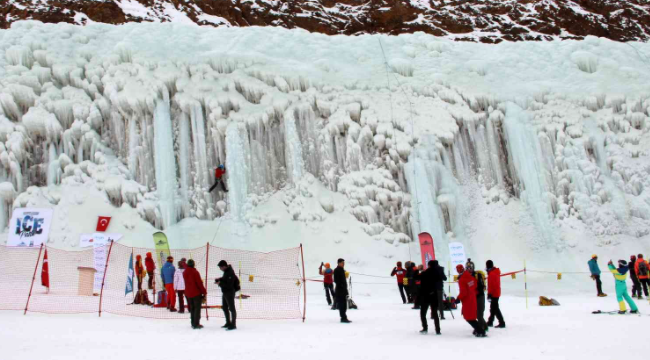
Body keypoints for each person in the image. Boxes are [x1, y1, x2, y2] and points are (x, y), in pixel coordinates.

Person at [456, 264, 485, 337]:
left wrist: (458, 298)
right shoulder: (470, 276)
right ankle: (479, 329)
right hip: (473, 298)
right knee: (472, 316)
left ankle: (480, 331)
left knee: (469, 317)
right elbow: (475, 285)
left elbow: (464, 292)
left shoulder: (462, 279)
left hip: (467, 300)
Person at [418, 260, 442, 335]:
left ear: (429, 265)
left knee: (423, 313)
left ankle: (425, 328)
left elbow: (416, 278)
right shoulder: (438, 273)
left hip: (425, 295)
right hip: (434, 295)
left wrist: (418, 270)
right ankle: (437, 330)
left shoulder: (425, 273)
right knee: (435, 313)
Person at [183, 259, 207, 329]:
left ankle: (193, 322)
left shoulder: (184, 272)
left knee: (192, 308)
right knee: (197, 309)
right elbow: (199, 283)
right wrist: (204, 292)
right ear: (193, 264)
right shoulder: (195, 272)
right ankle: (196, 323)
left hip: (188, 292)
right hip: (196, 293)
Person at [216, 260, 238, 330]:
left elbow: (229, 285)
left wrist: (220, 283)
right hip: (225, 292)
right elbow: (225, 280)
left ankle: (233, 324)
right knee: (224, 307)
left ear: (224, 266)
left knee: (232, 308)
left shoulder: (230, 272)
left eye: (220, 267)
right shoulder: (226, 271)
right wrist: (220, 279)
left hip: (230, 292)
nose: (220, 269)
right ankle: (228, 322)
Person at [486, 260, 505, 328]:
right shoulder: (495, 272)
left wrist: (490, 294)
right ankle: (490, 321)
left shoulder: (491, 274)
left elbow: (492, 285)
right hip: (496, 292)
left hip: (494, 293)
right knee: (493, 308)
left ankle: (501, 322)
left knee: (495, 308)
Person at [470, 262, 488, 334]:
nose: (469, 269)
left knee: (479, 314)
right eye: (467, 268)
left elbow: (480, 287)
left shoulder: (477, 275)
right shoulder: (470, 275)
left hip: (479, 296)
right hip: (474, 297)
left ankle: (480, 329)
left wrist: (475, 289)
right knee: (477, 314)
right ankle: (484, 326)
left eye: (470, 268)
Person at [334, 258, 351, 323]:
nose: (343, 264)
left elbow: (344, 280)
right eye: (342, 263)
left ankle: (344, 317)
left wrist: (345, 289)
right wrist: (341, 286)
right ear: (339, 263)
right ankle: (343, 318)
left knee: (344, 305)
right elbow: (336, 280)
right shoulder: (336, 270)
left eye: (344, 263)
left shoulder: (342, 270)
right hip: (339, 290)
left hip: (344, 290)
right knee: (342, 305)